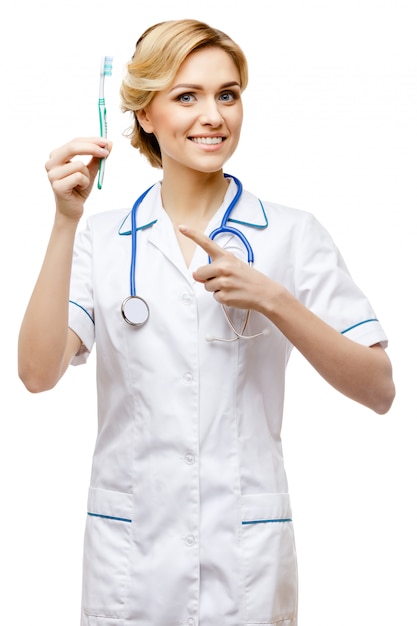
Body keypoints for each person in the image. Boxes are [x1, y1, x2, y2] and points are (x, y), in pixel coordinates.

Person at [18, 18, 395, 626]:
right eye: (186, 96)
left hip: (245, 556)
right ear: (144, 114)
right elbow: (36, 373)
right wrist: (65, 220)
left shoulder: (292, 234)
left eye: (228, 94)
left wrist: (274, 300)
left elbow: (379, 388)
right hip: (129, 562)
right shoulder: (103, 238)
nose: (213, 115)